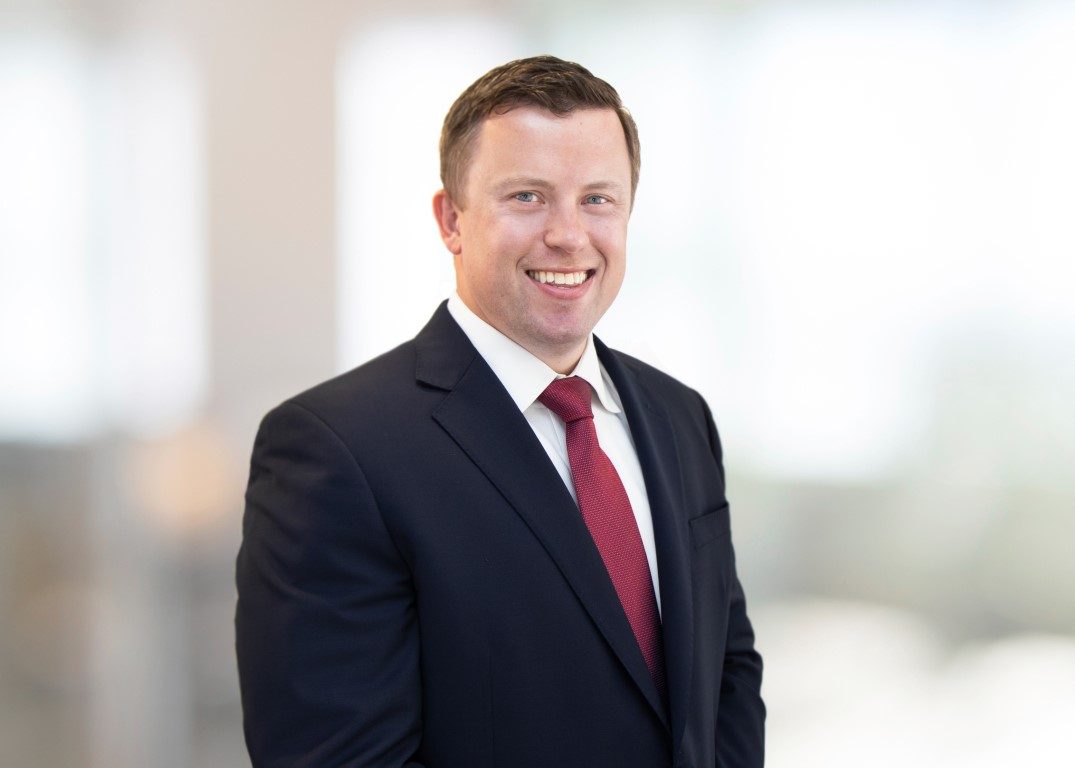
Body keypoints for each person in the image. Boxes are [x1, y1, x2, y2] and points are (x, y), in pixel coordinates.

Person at [236, 55, 764, 768]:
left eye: (597, 199)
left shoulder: (679, 417)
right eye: (527, 197)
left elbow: (725, 674)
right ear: (451, 220)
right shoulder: (336, 450)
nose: (568, 235)